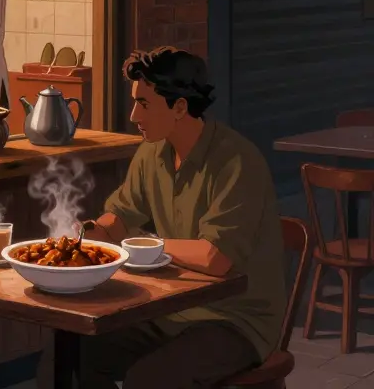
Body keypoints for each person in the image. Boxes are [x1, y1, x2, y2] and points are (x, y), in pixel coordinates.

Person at [78, 47, 285, 388]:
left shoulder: (236, 161)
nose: (132, 115)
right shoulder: (151, 152)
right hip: (169, 310)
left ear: (179, 107)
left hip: (235, 319)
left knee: (149, 381)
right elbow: (122, 213)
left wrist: (147, 245)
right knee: (72, 359)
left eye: (143, 104)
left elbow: (216, 258)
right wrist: (94, 231)